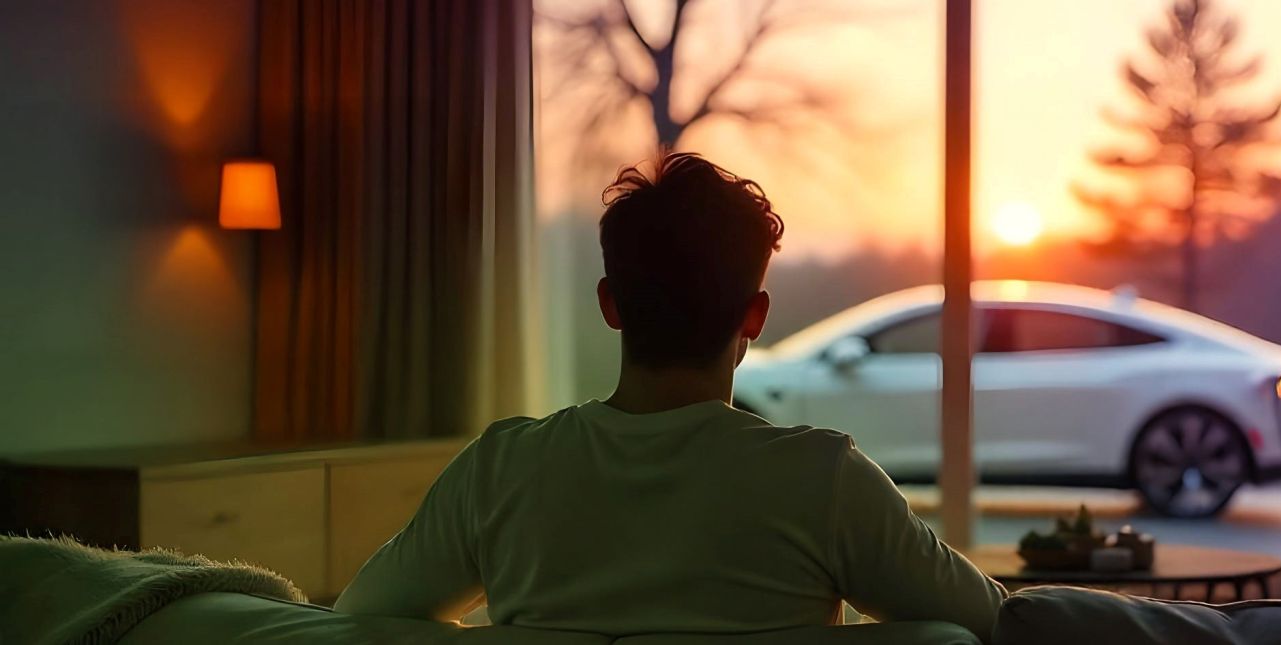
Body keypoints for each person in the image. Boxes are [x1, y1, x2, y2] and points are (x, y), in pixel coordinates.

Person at [333, 153, 1006, 640]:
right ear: (755, 316)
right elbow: (989, 621)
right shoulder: (821, 479)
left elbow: (360, 616)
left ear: (610, 304)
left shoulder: (501, 470)